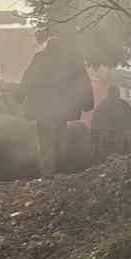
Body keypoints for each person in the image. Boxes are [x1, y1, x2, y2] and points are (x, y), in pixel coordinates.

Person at [20, 27, 94, 176]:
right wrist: (87, 102)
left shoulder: (40, 58)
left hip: (42, 109)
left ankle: (47, 172)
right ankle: (59, 171)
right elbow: (83, 82)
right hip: (63, 109)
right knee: (59, 138)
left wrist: (19, 96)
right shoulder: (71, 60)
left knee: (45, 142)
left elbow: (28, 78)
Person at [90, 83, 131, 160]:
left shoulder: (102, 105)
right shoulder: (123, 104)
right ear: (118, 93)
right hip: (119, 136)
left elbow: (94, 122)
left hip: (107, 136)